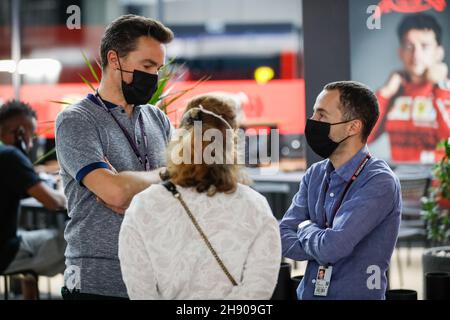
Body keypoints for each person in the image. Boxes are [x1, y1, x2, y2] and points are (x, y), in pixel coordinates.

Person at [55, 15, 174, 299]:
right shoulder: (78, 121)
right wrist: (166, 179)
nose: (154, 76)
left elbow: (184, 192)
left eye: (158, 68)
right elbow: (116, 193)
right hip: (95, 281)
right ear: (114, 59)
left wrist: (132, 185)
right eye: (147, 66)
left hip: (153, 276)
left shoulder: (157, 118)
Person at [118, 93, 281, 299]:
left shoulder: (144, 205)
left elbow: (141, 290)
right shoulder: (255, 207)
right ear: (232, 142)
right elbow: (259, 289)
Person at [280, 81, 401, 300]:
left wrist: (306, 227)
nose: (312, 121)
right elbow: (283, 237)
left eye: (322, 115)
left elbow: (334, 247)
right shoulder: (314, 174)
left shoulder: (379, 181)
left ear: (353, 127)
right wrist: (323, 240)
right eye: (314, 113)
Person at [0, 100, 67, 299]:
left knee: (34, 234)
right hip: (4, 254)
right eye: (31, 134)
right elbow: (53, 202)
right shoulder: (11, 156)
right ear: (20, 132)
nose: (32, 142)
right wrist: (66, 192)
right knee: (72, 242)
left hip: (7, 245)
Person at [369, 13, 450, 163]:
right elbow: (364, 138)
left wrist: (440, 88)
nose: (416, 54)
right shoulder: (393, 92)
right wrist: (385, 94)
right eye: (409, 46)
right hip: (399, 182)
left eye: (424, 46)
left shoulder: (446, 91)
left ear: (439, 52)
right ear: (401, 52)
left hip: (438, 184)